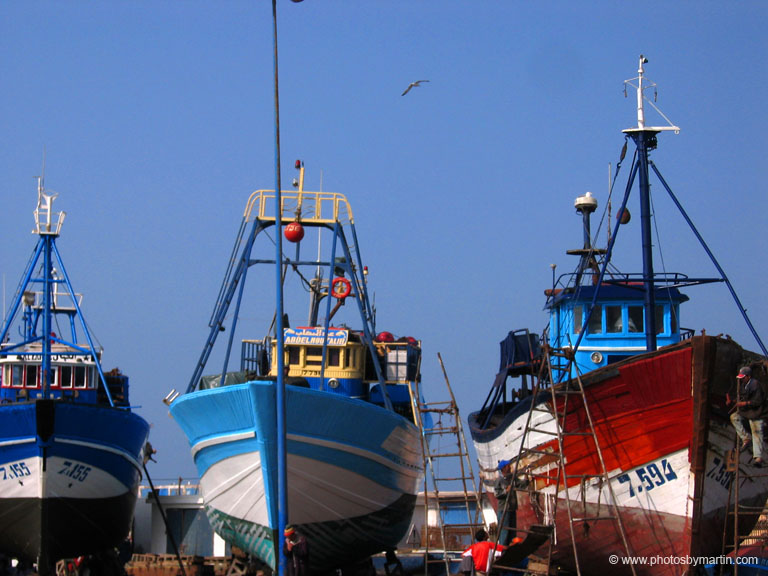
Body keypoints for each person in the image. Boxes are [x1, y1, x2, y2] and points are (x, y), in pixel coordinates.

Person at [728, 366, 766, 467]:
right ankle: (746, 438)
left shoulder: (756, 385)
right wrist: (733, 401)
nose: (741, 379)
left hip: (757, 412)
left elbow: (758, 401)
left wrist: (744, 404)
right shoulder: (744, 385)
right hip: (747, 412)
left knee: (756, 431)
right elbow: (742, 398)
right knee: (734, 417)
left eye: (743, 377)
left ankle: (758, 457)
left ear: (748, 376)